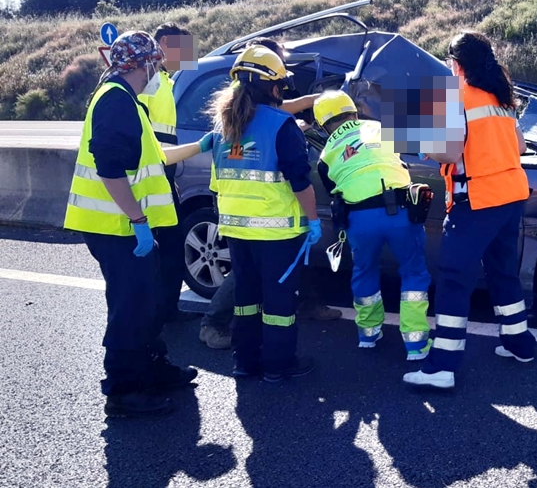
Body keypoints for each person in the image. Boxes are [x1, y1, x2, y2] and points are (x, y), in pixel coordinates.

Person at [64, 31, 214, 417]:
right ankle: (124, 389)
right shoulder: (115, 101)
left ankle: (152, 368)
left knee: (147, 301)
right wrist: (139, 221)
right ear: (145, 62)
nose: (159, 69)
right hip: (116, 228)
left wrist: (201, 146)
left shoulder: (127, 99)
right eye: (157, 63)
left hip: (125, 227)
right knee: (130, 305)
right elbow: (111, 170)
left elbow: (155, 157)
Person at [403, 31, 535, 390]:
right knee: (503, 272)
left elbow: (447, 153)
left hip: (477, 200)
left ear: (456, 64)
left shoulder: (452, 95)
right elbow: (519, 146)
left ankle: (442, 365)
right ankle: (519, 343)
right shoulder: (500, 96)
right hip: (511, 196)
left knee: (453, 277)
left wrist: (419, 138)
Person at [198, 37, 335, 350]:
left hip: (235, 225)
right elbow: (299, 181)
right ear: (273, 84)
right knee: (277, 304)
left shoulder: (225, 124)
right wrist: (312, 220)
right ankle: (278, 364)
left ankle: (246, 361)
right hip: (273, 227)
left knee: (247, 300)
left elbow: (226, 171)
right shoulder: (279, 125)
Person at [313, 89, 433, 359]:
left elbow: (334, 190)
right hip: (401, 212)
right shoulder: (379, 127)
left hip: (360, 218)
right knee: (413, 272)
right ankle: (416, 345)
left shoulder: (326, 154)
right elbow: (418, 148)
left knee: (364, 270)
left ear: (323, 125)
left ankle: (368, 334)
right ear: (353, 111)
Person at [139, 22, 199, 328]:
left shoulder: (164, 81)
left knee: (170, 246)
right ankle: (161, 313)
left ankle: (166, 311)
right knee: (166, 247)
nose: (188, 57)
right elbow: (143, 134)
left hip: (163, 176)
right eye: (183, 49)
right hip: (150, 178)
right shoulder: (148, 82)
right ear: (163, 43)